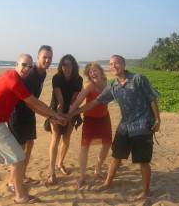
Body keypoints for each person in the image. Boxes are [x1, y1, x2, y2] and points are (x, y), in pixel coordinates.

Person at [69, 55, 161, 201]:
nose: (114, 66)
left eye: (117, 63)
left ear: (124, 65)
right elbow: (94, 103)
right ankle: (107, 182)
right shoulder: (113, 86)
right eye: (111, 64)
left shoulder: (138, 78)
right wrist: (72, 113)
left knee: (143, 160)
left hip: (143, 125)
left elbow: (151, 97)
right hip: (125, 126)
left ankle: (146, 190)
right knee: (116, 156)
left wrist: (157, 119)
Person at [0, 54, 66, 204]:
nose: (26, 68)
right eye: (24, 65)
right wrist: (55, 114)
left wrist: (51, 117)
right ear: (16, 64)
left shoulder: (7, 74)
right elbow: (35, 103)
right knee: (18, 158)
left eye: (29, 66)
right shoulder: (14, 80)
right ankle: (20, 195)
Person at [7, 45, 53, 189]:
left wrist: (49, 115)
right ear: (38, 57)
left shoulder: (42, 74)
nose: (47, 60)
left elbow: (34, 103)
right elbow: (32, 103)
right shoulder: (31, 75)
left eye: (50, 58)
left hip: (29, 114)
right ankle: (11, 181)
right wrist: (50, 115)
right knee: (19, 149)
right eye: (44, 57)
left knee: (30, 144)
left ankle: (22, 175)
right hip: (17, 113)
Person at [69, 62, 112, 189]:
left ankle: (97, 169)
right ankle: (82, 176)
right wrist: (69, 113)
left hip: (104, 118)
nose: (93, 73)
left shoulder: (105, 80)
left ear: (100, 71)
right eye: (90, 72)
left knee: (107, 144)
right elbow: (78, 101)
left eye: (95, 70)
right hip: (90, 120)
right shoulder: (89, 85)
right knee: (84, 147)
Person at [47, 54, 83, 185]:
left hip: (71, 110)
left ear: (73, 66)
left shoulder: (78, 79)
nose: (66, 67)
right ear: (61, 66)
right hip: (56, 109)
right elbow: (60, 100)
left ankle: (60, 163)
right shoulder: (57, 78)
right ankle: (52, 172)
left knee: (66, 138)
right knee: (55, 138)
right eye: (64, 64)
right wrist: (59, 116)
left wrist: (68, 116)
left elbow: (74, 100)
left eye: (69, 65)